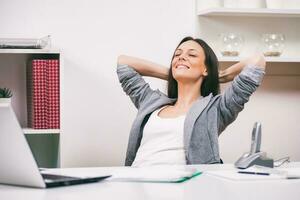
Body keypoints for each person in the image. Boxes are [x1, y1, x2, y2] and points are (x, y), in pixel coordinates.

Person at [117, 36, 266, 167]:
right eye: (177, 55)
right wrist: (173, 72)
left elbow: (257, 62)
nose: (181, 57)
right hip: (137, 182)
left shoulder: (218, 108)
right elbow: (123, 63)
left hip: (185, 187)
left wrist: (220, 75)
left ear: (206, 69)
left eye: (192, 55)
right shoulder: (151, 102)